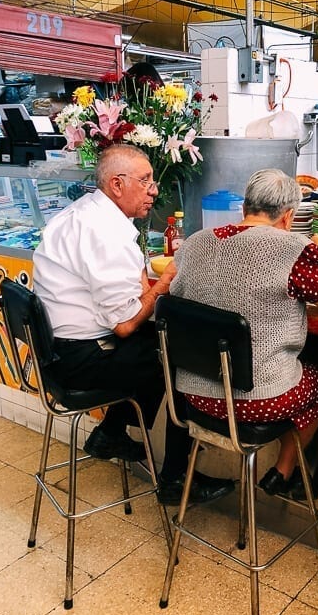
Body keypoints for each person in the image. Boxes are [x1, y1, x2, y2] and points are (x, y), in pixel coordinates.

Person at [32, 144, 234, 506]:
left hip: (56, 354)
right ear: (116, 184)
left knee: (155, 345)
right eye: (145, 181)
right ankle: (175, 479)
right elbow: (124, 324)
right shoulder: (105, 233)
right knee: (180, 360)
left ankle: (109, 433)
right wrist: (165, 281)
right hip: (79, 362)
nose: (154, 190)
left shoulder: (85, 212)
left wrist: (148, 288)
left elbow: (123, 294)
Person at [169, 168, 318, 499]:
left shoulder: (195, 243)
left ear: (244, 208)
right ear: (288, 217)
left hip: (194, 397)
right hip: (258, 403)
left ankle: (282, 471)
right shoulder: (294, 249)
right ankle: (283, 470)